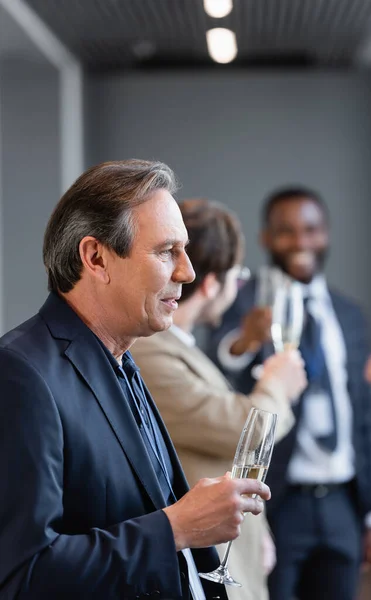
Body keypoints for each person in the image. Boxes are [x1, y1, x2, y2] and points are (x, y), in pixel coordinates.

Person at [0, 160, 273, 600]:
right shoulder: (21, 375)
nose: (187, 272)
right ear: (96, 258)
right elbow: (22, 576)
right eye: (167, 251)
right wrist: (176, 528)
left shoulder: (122, 358)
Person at [207, 186, 371, 600]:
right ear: (266, 238)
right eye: (286, 231)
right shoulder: (242, 303)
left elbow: (362, 415)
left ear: (325, 233)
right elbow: (219, 364)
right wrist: (245, 343)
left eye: (311, 230)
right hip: (275, 502)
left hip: (342, 502)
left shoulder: (348, 313)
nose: (301, 242)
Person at [131, 198, 307, 600]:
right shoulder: (150, 352)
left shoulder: (179, 347)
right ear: (212, 284)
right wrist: (278, 382)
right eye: (237, 276)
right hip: (197, 562)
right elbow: (236, 430)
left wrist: (258, 533)